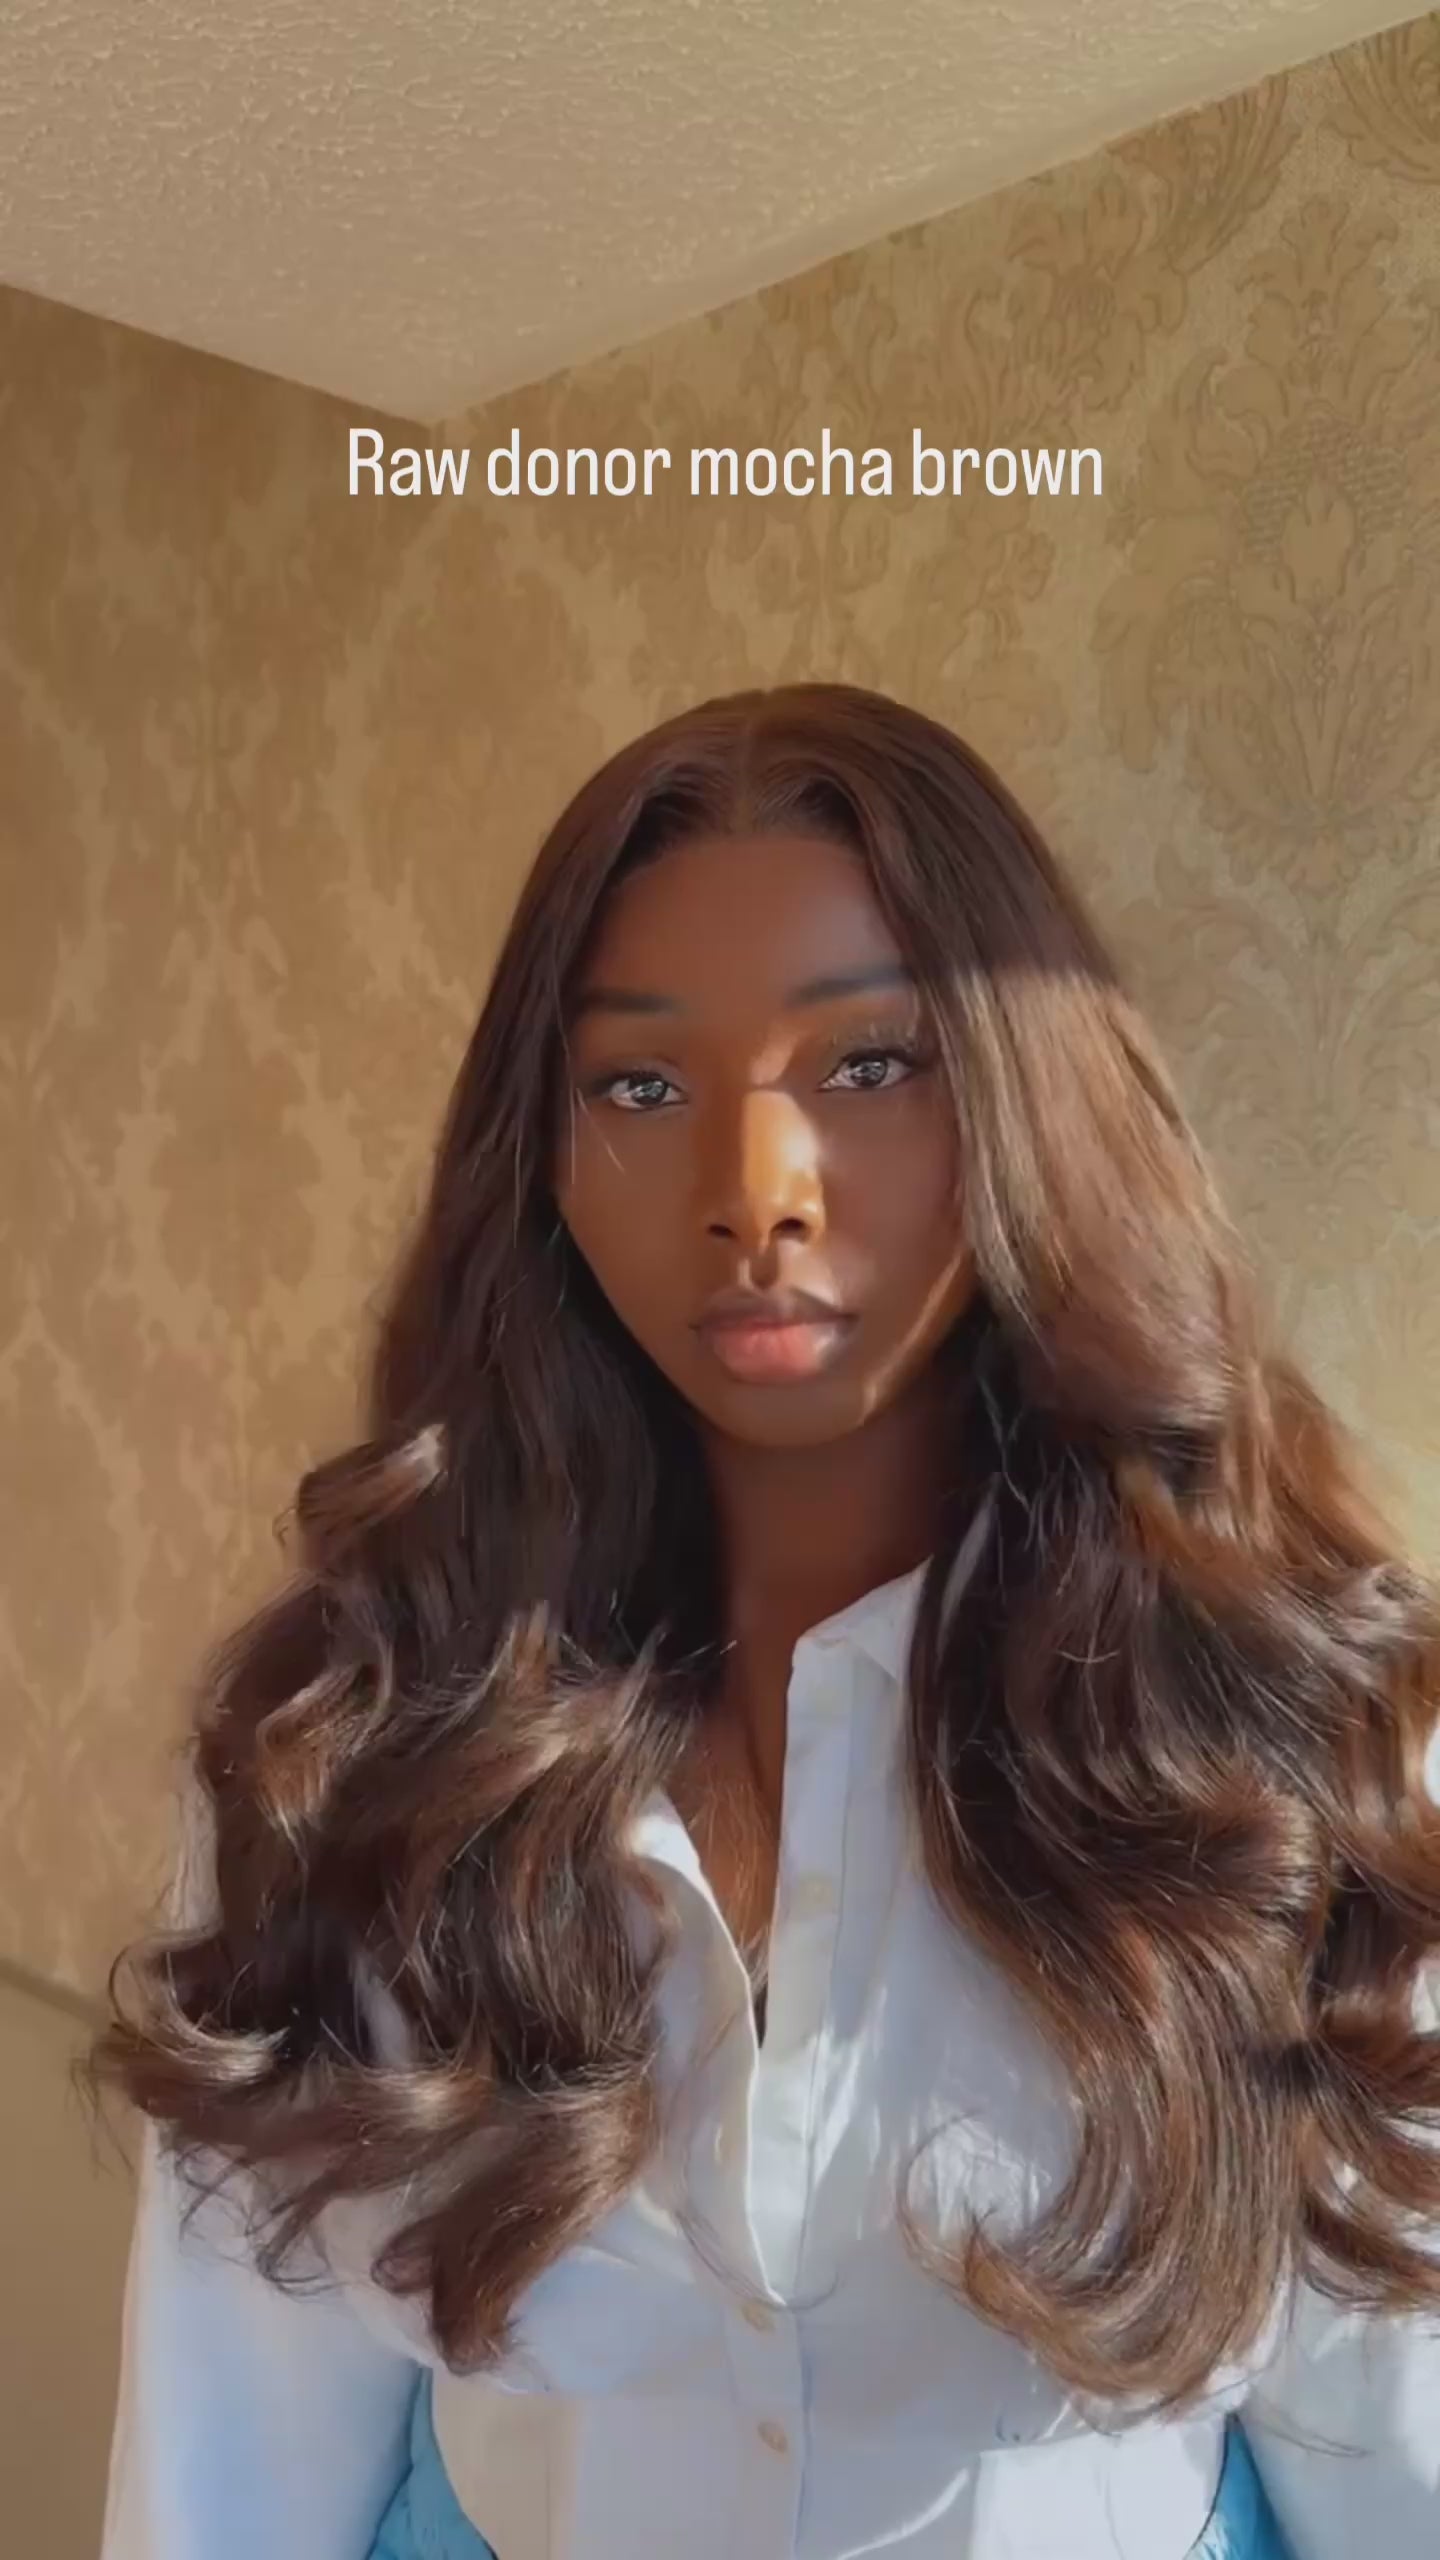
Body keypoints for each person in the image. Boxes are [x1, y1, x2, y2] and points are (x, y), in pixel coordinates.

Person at [86, 682, 1440, 2560]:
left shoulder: (1295, 1744)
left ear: (1028, 1102)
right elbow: (228, 2479)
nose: (753, 1195)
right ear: (539, 1155)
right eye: (639, 1088)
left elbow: (1399, 2461)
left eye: (869, 1064)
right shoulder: (354, 1745)